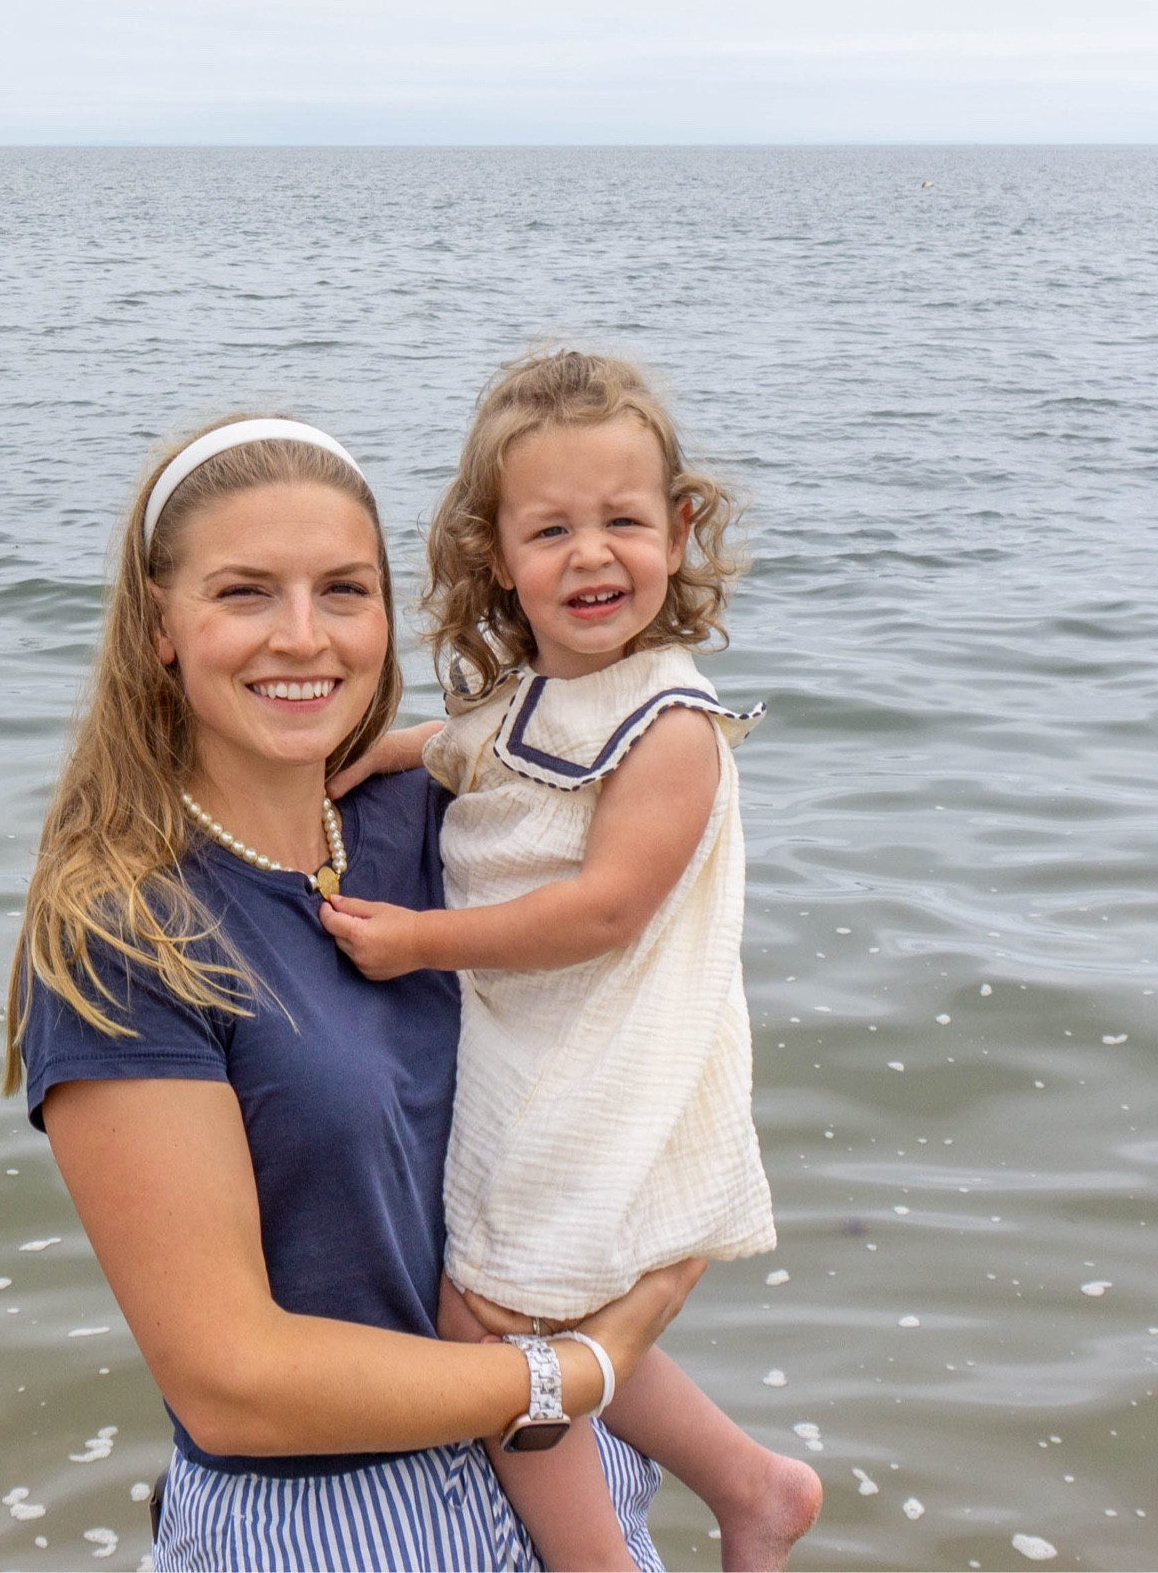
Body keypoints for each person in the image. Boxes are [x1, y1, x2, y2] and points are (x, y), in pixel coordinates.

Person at [3, 414, 704, 1572]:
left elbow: (634, 911)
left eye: (343, 589)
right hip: (329, 1524)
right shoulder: (126, 929)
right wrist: (574, 1367)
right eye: (242, 592)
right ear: (160, 625)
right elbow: (232, 1381)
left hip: (574, 1477)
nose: (301, 636)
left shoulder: (432, 824)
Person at [323, 352, 822, 1570]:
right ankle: (748, 1482)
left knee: (491, 1317)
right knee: (543, 1309)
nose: (590, 554)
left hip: (602, 1049)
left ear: (678, 526)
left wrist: (416, 943)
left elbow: (602, 909)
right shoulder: (531, 693)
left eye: (623, 520)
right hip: (520, 1039)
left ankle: (596, 1558)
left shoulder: (672, 724)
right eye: (549, 528)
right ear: (496, 553)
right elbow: (478, 745)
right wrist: (371, 753)